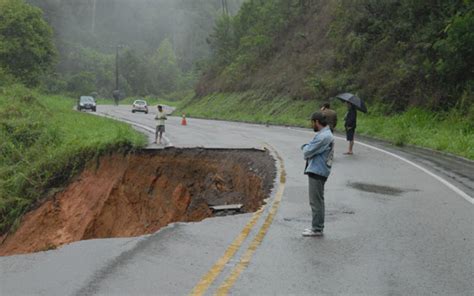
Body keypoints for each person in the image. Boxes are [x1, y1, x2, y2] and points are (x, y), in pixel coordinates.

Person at [301, 112, 334, 237]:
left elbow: (307, 151)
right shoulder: (325, 134)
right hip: (320, 170)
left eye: (312, 122)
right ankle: (317, 227)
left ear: (317, 122)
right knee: (318, 201)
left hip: (318, 170)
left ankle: (317, 228)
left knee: (316, 202)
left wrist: (305, 146)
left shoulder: (323, 137)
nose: (311, 125)